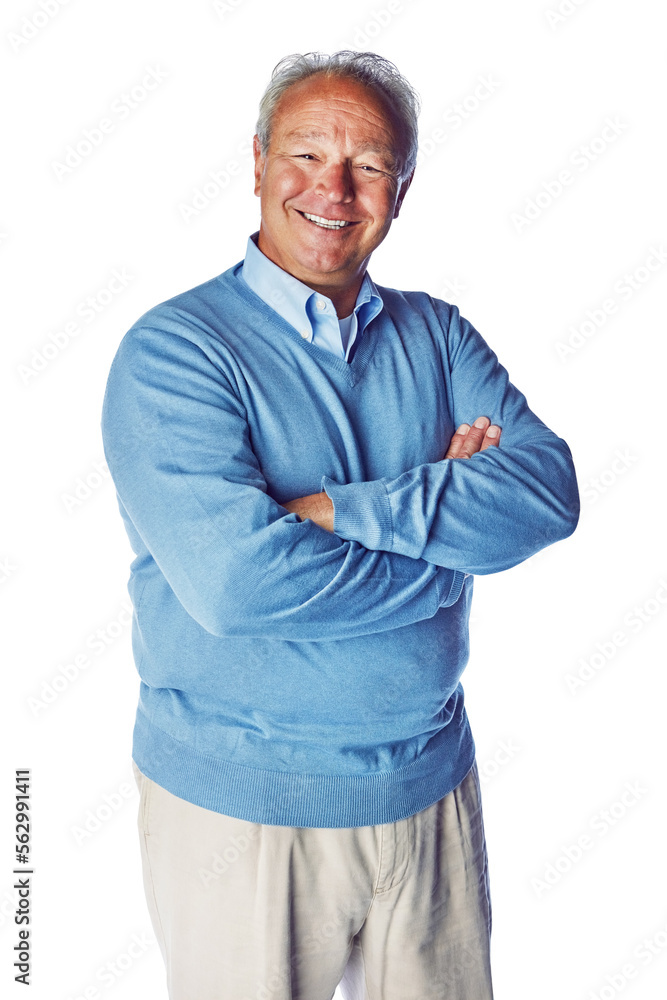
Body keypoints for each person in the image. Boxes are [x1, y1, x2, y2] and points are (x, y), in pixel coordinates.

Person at [101, 50, 579, 1000]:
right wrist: (448, 545)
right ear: (257, 163)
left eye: (367, 164)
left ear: (401, 189)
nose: (334, 187)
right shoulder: (175, 352)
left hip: (432, 790)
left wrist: (339, 512)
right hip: (243, 816)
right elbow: (239, 586)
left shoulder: (437, 333)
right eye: (306, 153)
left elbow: (546, 494)